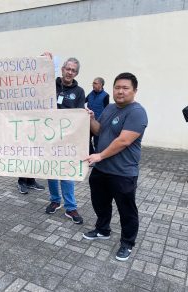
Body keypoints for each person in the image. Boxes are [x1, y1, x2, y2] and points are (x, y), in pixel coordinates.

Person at [83, 72, 148, 261]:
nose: (120, 91)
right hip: (102, 169)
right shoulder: (110, 108)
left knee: (126, 210)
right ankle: (103, 229)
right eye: (117, 87)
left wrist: (100, 155)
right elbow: (99, 131)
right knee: (100, 203)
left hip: (123, 172)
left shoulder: (137, 112)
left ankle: (127, 243)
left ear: (134, 90)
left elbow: (124, 141)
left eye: (125, 88)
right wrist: (91, 119)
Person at [45, 55, 86, 224]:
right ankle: (55, 200)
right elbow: (34, 80)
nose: (69, 72)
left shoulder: (79, 92)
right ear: (62, 69)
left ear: (76, 73)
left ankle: (71, 207)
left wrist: (86, 115)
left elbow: (79, 116)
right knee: (51, 171)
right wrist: (44, 60)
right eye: (67, 69)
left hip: (67, 140)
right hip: (48, 138)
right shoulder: (48, 85)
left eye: (73, 70)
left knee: (66, 172)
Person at [85, 77, 109, 154]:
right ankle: (91, 154)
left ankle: (98, 158)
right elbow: (82, 101)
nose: (93, 85)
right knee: (86, 139)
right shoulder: (91, 94)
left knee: (97, 142)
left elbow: (106, 110)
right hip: (88, 121)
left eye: (95, 83)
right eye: (93, 83)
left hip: (99, 123)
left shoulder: (105, 96)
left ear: (101, 85)